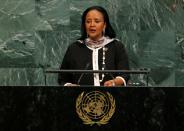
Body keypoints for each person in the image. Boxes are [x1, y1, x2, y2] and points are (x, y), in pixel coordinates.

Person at [58, 6, 130, 87]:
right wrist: (69, 85)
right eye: (88, 21)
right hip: (81, 97)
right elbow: (62, 79)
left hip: (111, 96)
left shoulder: (116, 46)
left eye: (97, 21)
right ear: (84, 25)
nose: (92, 25)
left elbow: (125, 75)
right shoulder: (74, 48)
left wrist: (114, 82)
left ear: (104, 24)